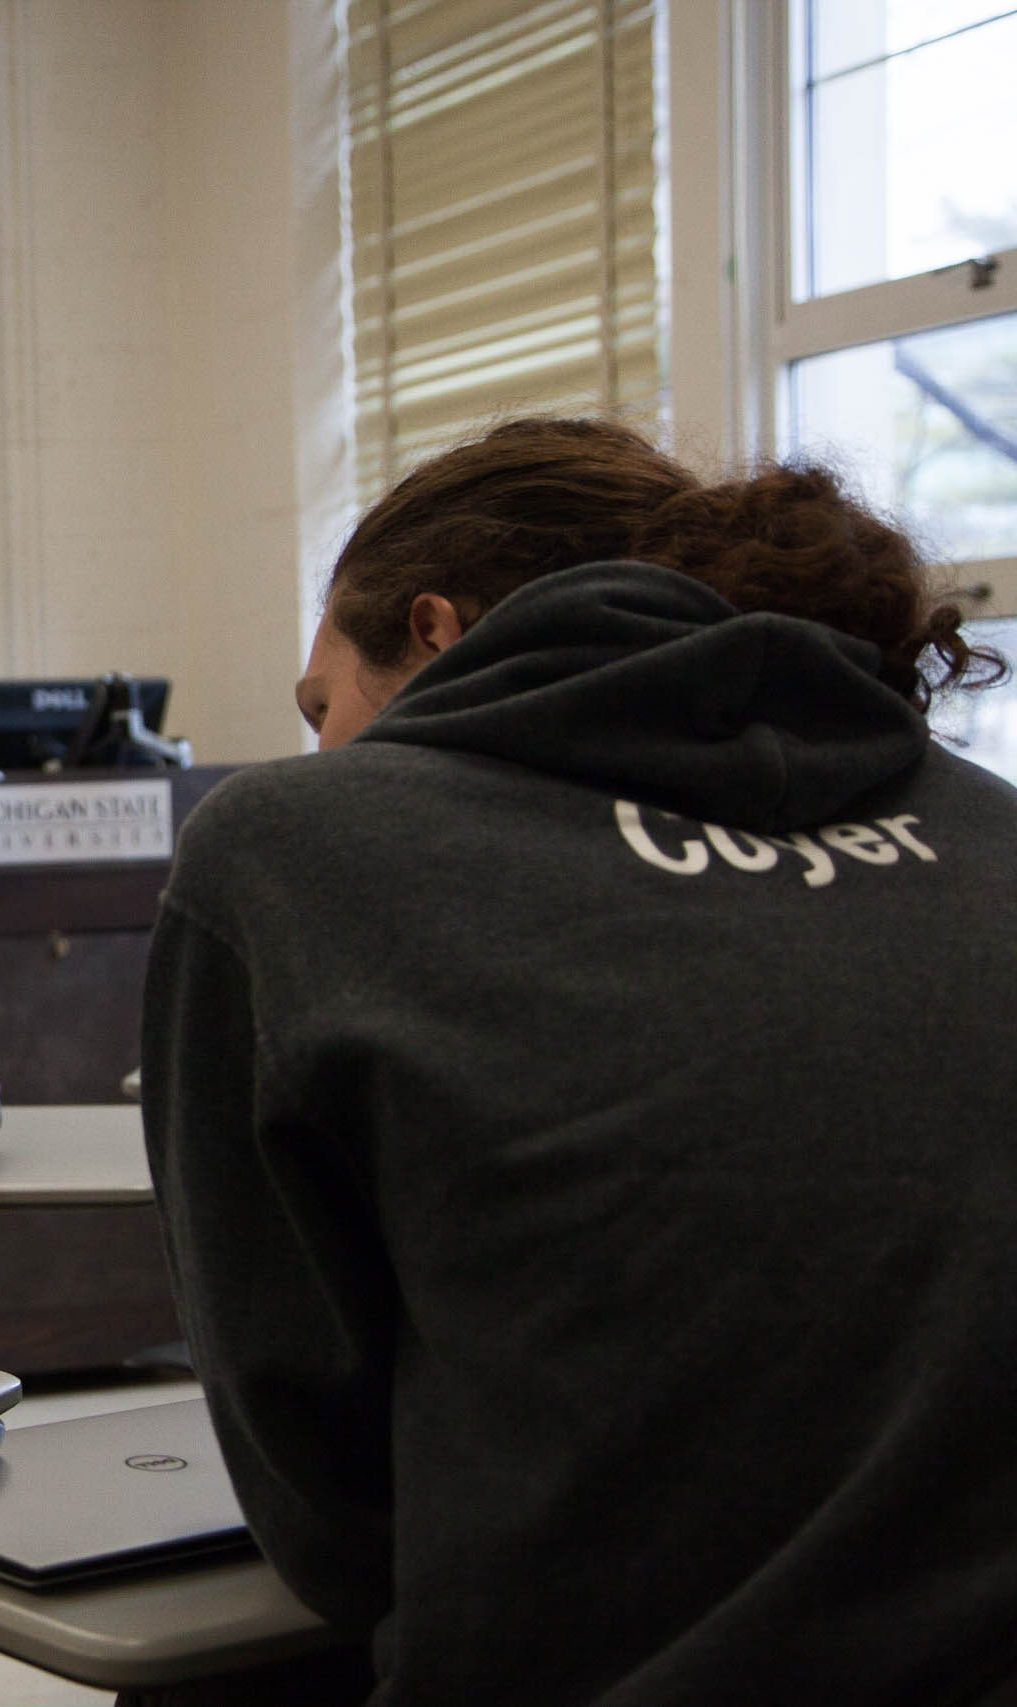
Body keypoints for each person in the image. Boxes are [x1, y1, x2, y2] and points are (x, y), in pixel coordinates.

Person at [141, 417, 1017, 1706]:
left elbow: (315, 1494)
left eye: (320, 709)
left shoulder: (293, 851)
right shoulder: (987, 833)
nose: (322, 752)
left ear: (437, 635)